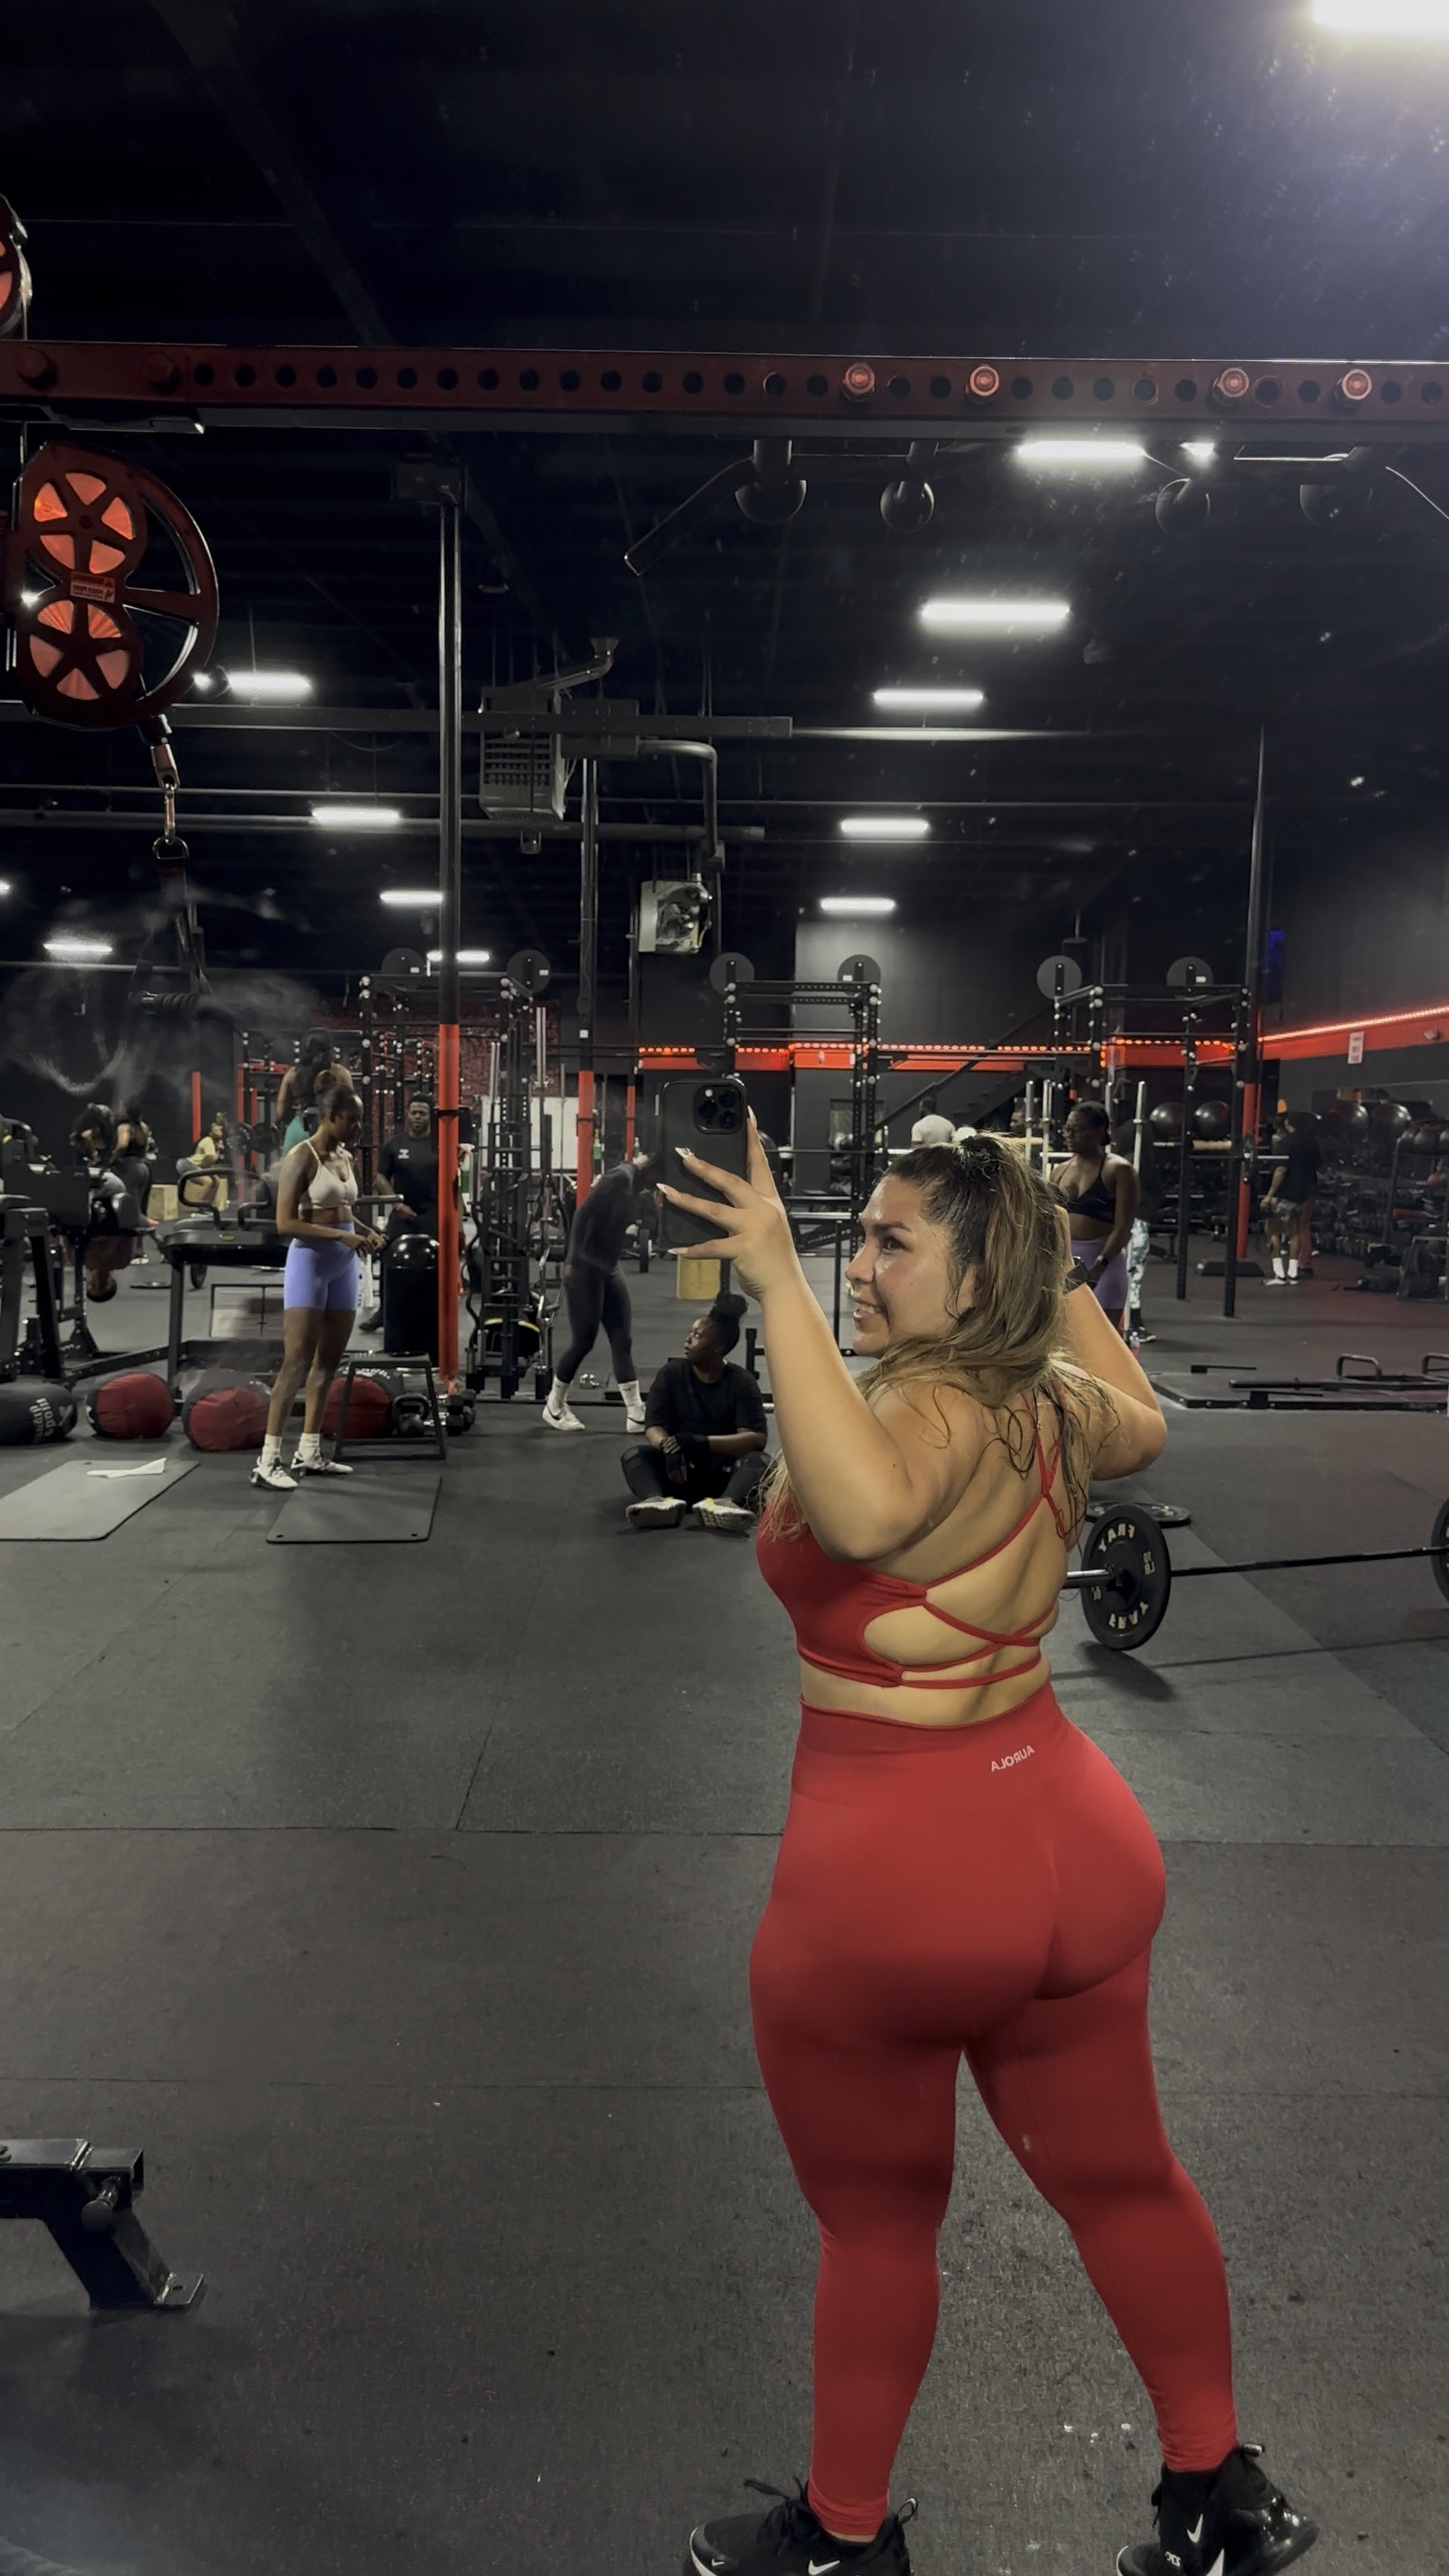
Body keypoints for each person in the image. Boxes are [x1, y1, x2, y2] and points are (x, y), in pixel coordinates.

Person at [659, 1126, 1317, 2576]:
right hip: (1071, 1849)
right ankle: (1218, 2494)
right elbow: (1146, 1414)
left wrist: (771, 1279)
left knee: (879, 2225)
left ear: (972, 1287)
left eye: (896, 1242)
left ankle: (841, 2543)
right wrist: (1045, 1234)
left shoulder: (936, 1412)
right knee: (1127, 2179)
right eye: (863, 1235)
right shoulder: (1056, 1403)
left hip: (899, 1885)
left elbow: (872, 1509)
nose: (863, 1263)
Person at [253, 1079, 383, 1491]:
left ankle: (309, 1451)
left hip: (343, 1264)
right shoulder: (301, 1157)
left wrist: (364, 1230)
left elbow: (343, 1211)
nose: (357, 1128)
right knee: (295, 1363)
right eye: (352, 1120)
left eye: (360, 1121)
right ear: (330, 1117)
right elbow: (285, 1223)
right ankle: (267, 1461)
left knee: (328, 1362)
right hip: (310, 1261)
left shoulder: (344, 1156)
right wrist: (341, 1237)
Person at [622, 1294, 767, 1530]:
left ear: (718, 1347)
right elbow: (654, 1426)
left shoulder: (742, 1382)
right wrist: (666, 1447)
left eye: (698, 1336)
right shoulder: (672, 1373)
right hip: (679, 1471)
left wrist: (700, 1443)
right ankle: (657, 1502)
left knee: (759, 1461)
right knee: (634, 1455)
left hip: (722, 1473)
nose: (689, 1340)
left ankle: (726, 1504)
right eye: (691, 1333)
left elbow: (755, 1439)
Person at [541, 1156, 659, 1434]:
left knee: (622, 1337)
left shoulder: (637, 1187)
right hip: (584, 1268)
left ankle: (635, 1413)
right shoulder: (619, 1179)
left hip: (608, 1268)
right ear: (651, 1169)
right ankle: (554, 1406)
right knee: (584, 1340)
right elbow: (583, 1215)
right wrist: (571, 1262)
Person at [1054, 1099, 1139, 1330]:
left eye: (1078, 1130)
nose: (1070, 1135)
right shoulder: (1059, 1171)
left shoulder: (1118, 1170)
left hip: (1104, 1263)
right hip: (1067, 1264)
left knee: (1104, 1339)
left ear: (1100, 1131)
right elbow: (1049, 1221)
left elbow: (1124, 1226)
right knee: (1066, 1340)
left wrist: (1099, 1267)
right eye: (1068, 1129)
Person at [70, 1104, 138, 1302]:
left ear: (86, 1281)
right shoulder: (122, 1261)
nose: (97, 1282)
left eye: (92, 1286)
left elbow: (63, 1229)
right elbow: (130, 1224)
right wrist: (94, 1156)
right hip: (110, 1191)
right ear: (112, 1282)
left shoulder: (76, 1259)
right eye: (103, 1286)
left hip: (89, 1187)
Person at [1263, 1114, 1323, 1285]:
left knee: (1272, 1229)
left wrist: (1269, 1195)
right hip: (1305, 1192)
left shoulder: (1285, 1143)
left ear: (1290, 1124)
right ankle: (1294, 1271)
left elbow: (1281, 1170)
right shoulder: (1312, 1142)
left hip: (1285, 1192)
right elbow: (1319, 1165)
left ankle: (1279, 1274)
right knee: (1297, 1230)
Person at [376, 1093, 439, 1240]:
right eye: (414, 1113)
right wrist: (398, 1205)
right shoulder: (395, 1145)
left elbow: (454, 1184)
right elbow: (380, 1178)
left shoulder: (441, 1144)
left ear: (431, 1116)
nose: (418, 1117)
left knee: (434, 1260)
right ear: (408, 1115)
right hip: (402, 1216)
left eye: (423, 1114)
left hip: (433, 1217)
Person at [277, 1043, 356, 1154]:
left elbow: (281, 1113)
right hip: (332, 1128)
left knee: (289, 1168)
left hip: (300, 1128)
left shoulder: (293, 1074)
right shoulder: (341, 1073)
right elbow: (352, 1107)